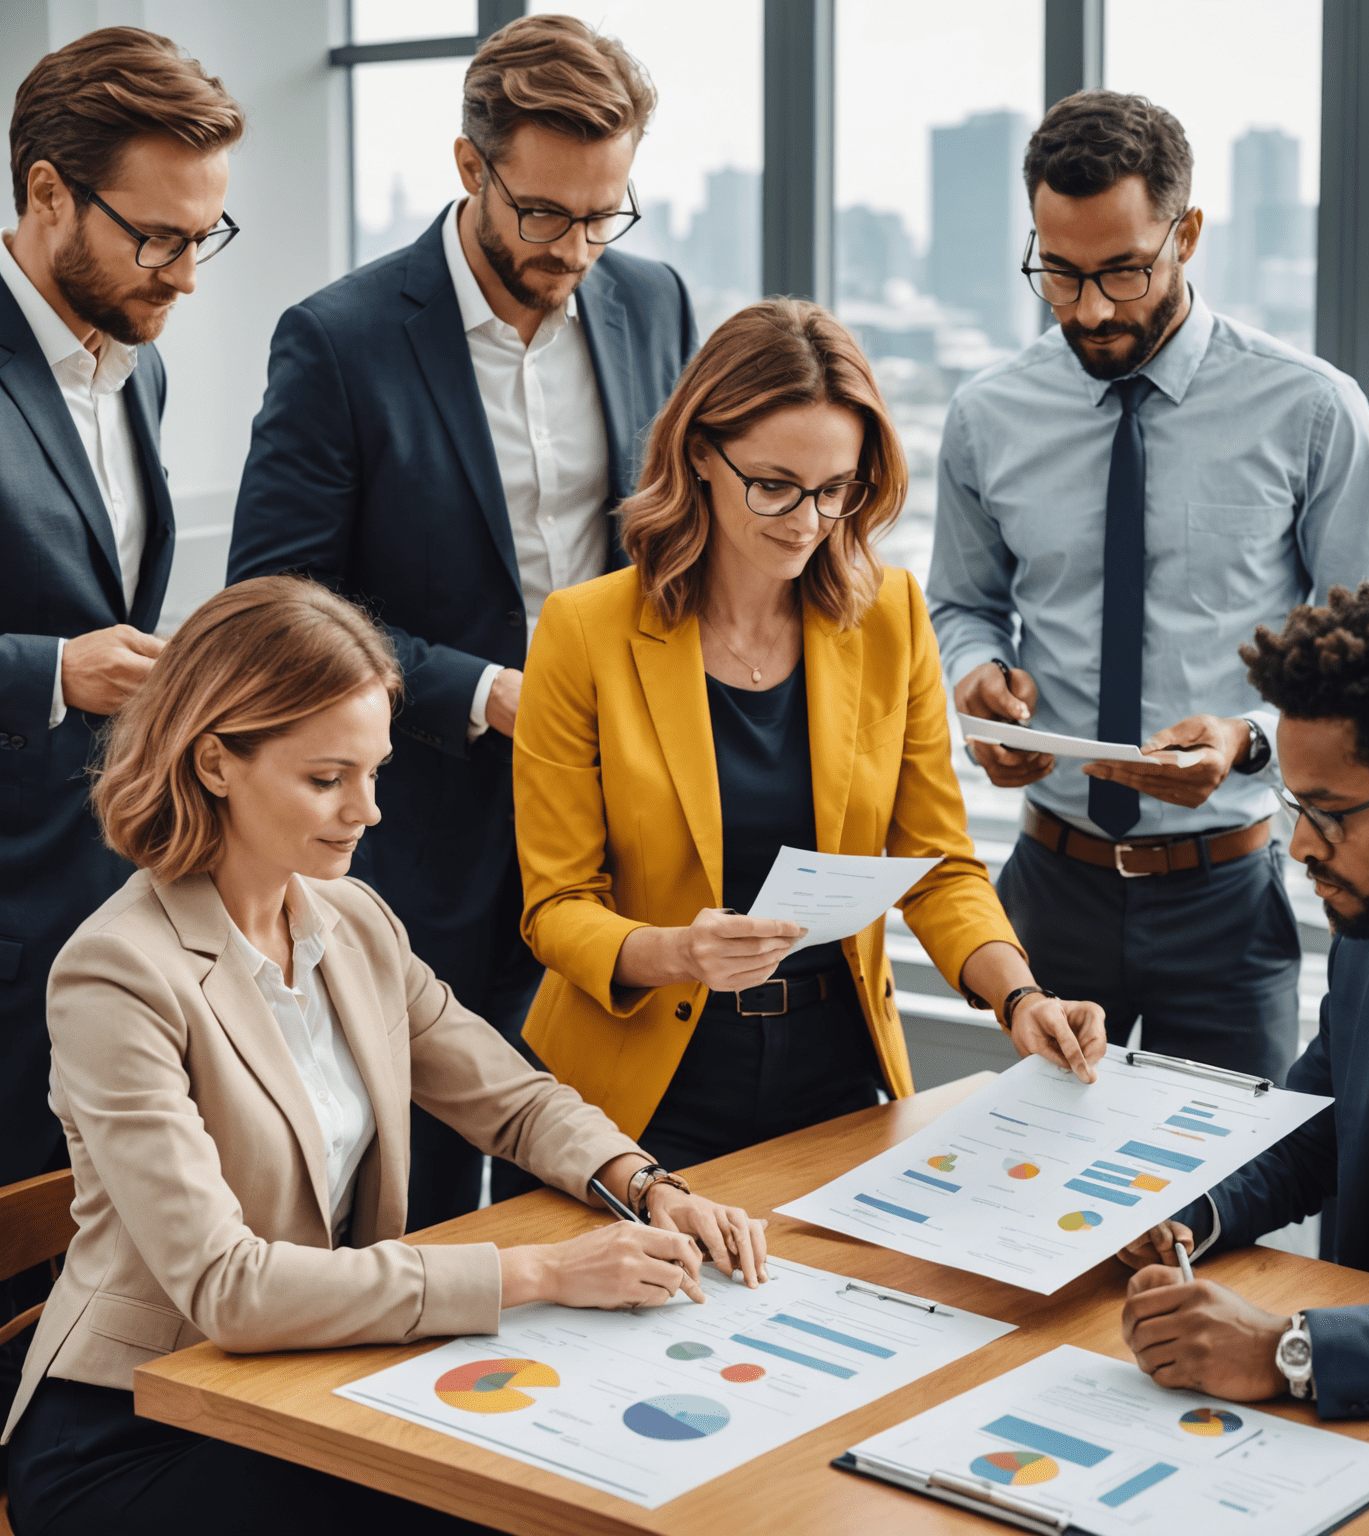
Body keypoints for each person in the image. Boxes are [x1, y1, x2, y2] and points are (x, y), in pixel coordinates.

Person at [0, 576, 765, 1534]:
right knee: (500, 1506)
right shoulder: (118, 973)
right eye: (327, 779)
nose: (366, 810)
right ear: (215, 763)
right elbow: (228, 1289)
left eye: (374, 772)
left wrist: (646, 1184)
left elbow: (513, 1101)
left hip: (308, 1381)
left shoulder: (353, 920)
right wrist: (543, 1273)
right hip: (138, 1423)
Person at [226, 14, 696, 1227]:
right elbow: (278, 601)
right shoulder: (340, 339)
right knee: (427, 1188)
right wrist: (486, 690)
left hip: (612, 830)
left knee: (608, 1160)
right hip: (423, 829)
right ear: (468, 167)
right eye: (544, 213)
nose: (578, 246)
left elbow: (677, 539)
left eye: (606, 212)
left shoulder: (653, 301)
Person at [513, 299, 1107, 1169]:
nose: (806, 521)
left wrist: (1020, 997)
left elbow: (939, 863)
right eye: (775, 485)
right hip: (639, 1089)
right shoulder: (585, 631)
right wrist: (682, 951)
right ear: (701, 456)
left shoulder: (891, 617)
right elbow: (555, 907)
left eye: (836, 491)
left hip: (834, 1069)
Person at [927, 89, 1369, 1085]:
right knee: (1027, 1201)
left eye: (1123, 272)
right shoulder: (988, 415)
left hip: (1225, 898)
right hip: (1048, 884)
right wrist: (980, 679)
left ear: (1187, 233)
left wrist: (1247, 737)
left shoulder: (1310, 410)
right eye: (1057, 274)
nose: (1091, 309)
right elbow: (964, 605)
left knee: (1226, 1208)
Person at [1118, 577, 1369, 1418]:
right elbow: (1311, 1134)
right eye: (1295, 805)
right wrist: (1188, 1211)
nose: (1302, 844)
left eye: (1333, 813)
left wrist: (1292, 1351)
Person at [0, 25, 243, 1467]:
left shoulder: (134, 372)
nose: (188, 278)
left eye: (206, 235)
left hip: (94, 920)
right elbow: (63, 651)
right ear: (45, 196)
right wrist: (49, 673)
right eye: (158, 238)